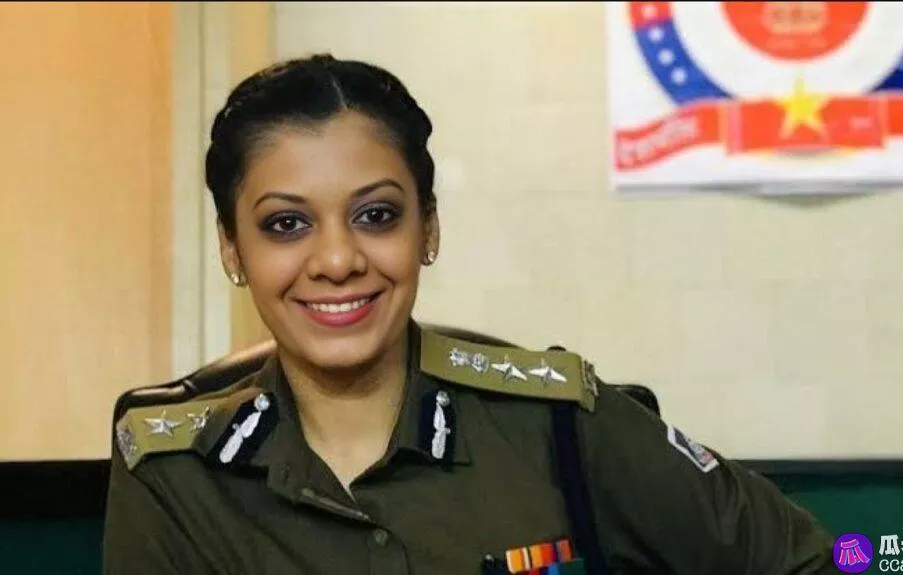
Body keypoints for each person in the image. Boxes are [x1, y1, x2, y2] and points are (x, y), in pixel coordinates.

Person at [103, 54, 840, 574]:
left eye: (376, 215)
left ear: (428, 228)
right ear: (232, 248)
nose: (336, 259)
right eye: (286, 224)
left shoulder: (559, 421)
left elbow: (824, 558)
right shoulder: (173, 470)